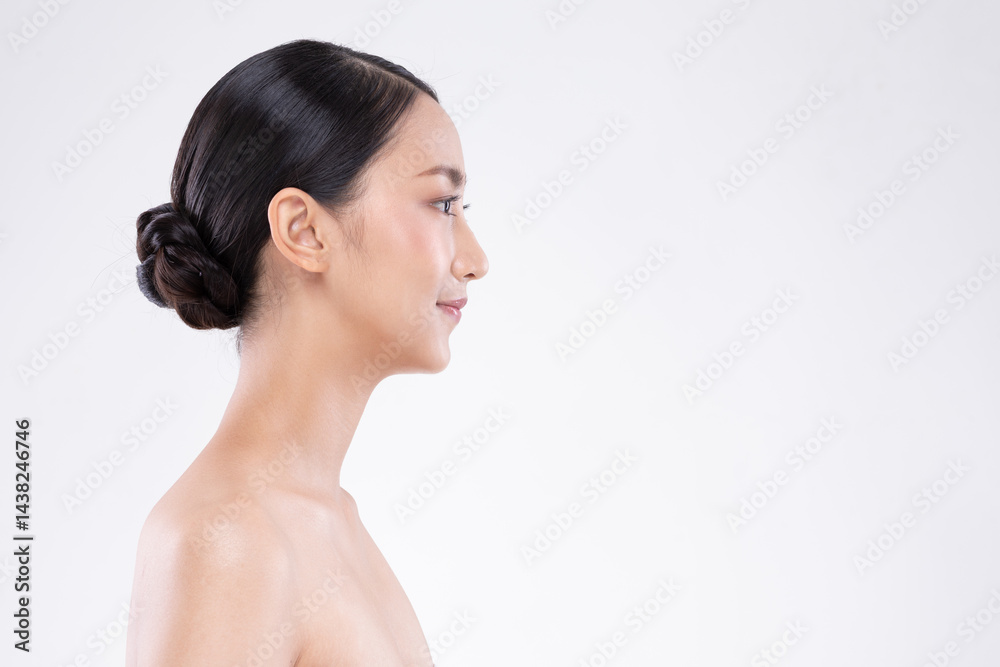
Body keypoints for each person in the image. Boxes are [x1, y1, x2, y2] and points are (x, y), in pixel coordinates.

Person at [125, 38, 488, 666]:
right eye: (441, 204)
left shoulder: (331, 520)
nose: (475, 260)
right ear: (304, 230)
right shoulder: (228, 539)